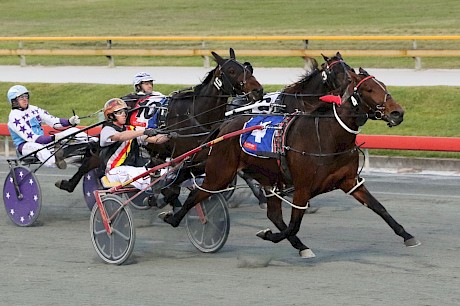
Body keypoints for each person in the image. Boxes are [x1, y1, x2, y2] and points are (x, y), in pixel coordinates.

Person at [7, 84, 91, 169]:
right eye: (21, 98)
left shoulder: (34, 109)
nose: (25, 99)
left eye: (26, 96)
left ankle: (94, 142)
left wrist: (69, 121)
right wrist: (53, 138)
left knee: (72, 130)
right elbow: (33, 139)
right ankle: (58, 161)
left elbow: (53, 121)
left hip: (43, 141)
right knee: (37, 147)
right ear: (14, 101)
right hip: (25, 146)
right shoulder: (14, 117)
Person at [99, 98, 169, 196]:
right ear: (111, 116)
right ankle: (152, 186)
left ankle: (157, 192)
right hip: (114, 172)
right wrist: (143, 131)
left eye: (124, 111)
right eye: (119, 112)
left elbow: (155, 140)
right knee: (136, 173)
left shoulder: (131, 129)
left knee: (164, 171)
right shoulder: (107, 130)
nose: (124, 114)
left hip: (130, 169)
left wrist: (169, 134)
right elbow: (120, 136)